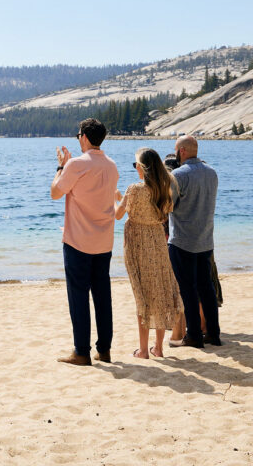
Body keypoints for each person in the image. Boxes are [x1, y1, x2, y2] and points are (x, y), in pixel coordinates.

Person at [50, 118, 119, 366]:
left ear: (85, 137)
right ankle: (105, 349)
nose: (78, 138)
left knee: (78, 296)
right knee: (102, 296)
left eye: (78, 134)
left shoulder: (76, 165)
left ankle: (81, 351)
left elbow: (55, 193)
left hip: (78, 241)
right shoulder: (112, 166)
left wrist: (61, 167)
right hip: (104, 242)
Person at [115, 148, 183, 359]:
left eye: (135, 164)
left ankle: (143, 350)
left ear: (142, 168)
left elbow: (118, 214)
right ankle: (158, 348)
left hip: (137, 245)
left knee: (142, 296)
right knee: (160, 291)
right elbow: (162, 214)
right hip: (158, 244)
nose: (135, 167)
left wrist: (112, 197)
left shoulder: (134, 190)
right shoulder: (165, 189)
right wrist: (121, 196)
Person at [168, 135, 222, 348]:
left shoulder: (178, 175)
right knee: (206, 287)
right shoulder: (212, 173)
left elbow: (168, 205)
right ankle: (213, 333)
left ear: (181, 151)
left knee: (187, 289)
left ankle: (193, 336)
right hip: (205, 239)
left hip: (182, 239)